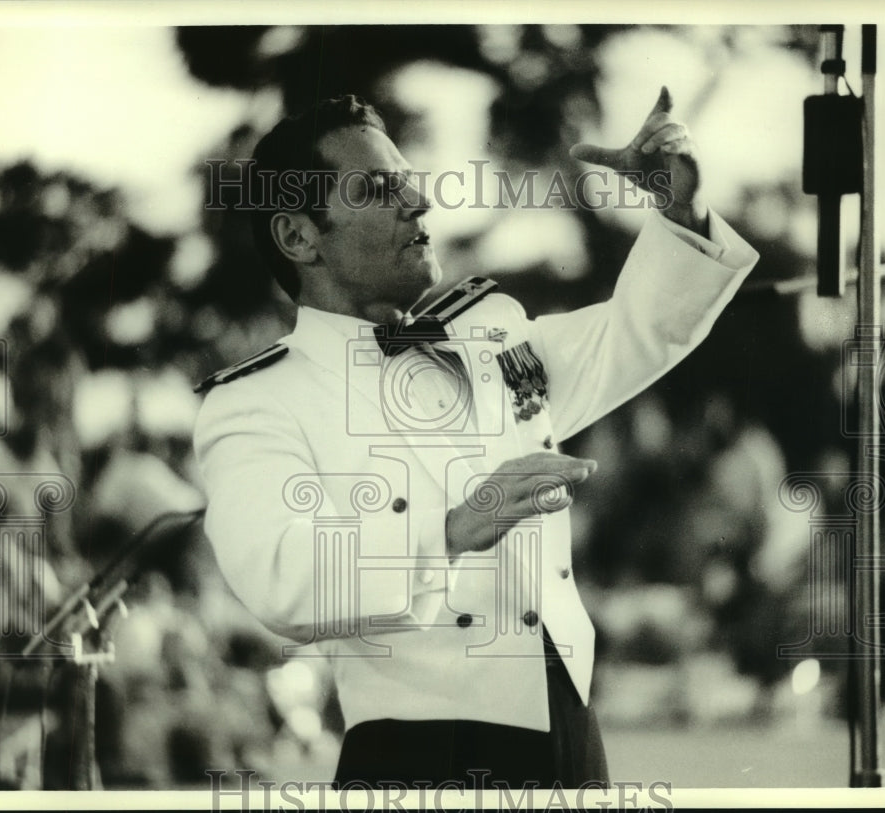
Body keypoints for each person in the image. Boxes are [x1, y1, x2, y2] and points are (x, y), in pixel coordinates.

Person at [193, 90, 759, 789]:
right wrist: (452, 530)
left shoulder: (490, 333)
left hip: (572, 739)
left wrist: (679, 209)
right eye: (376, 188)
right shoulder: (258, 401)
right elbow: (279, 575)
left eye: (408, 180)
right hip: (419, 757)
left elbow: (634, 333)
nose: (418, 202)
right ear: (300, 237)